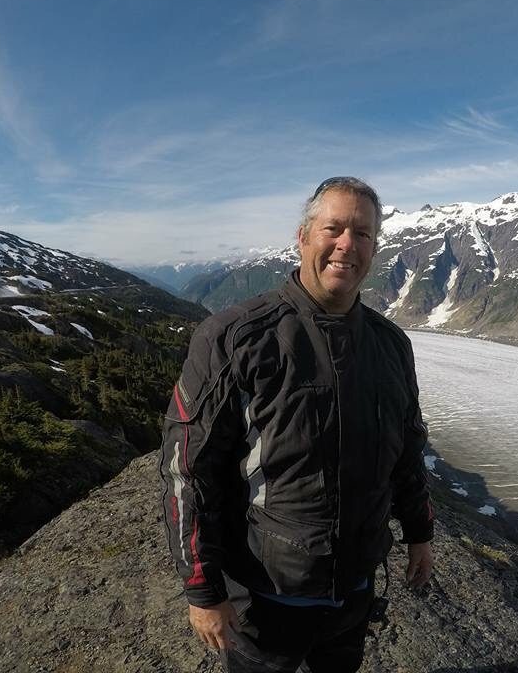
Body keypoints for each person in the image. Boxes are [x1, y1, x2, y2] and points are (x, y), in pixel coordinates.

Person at [160, 176, 434, 673]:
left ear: (375, 247)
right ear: (303, 237)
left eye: (363, 233)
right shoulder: (236, 338)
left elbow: (408, 449)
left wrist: (420, 531)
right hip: (267, 597)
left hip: (354, 591)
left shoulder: (391, 345)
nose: (347, 244)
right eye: (334, 228)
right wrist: (202, 589)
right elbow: (190, 471)